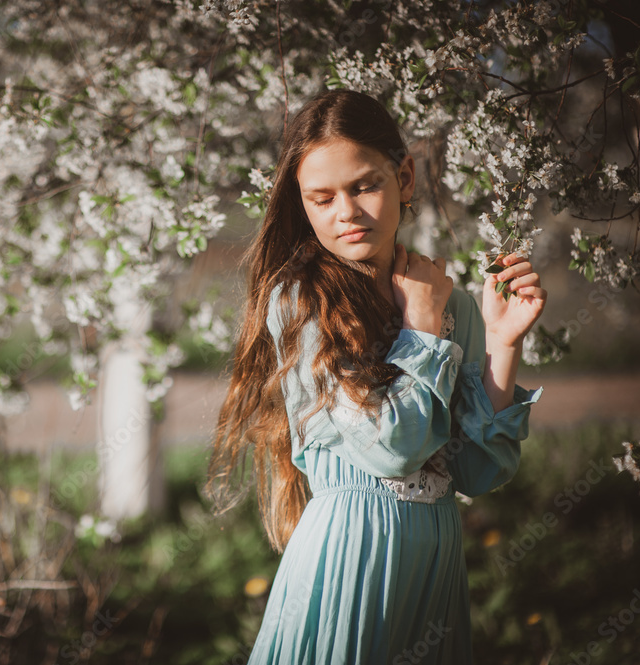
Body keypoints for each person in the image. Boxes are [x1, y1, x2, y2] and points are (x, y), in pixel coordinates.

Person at [205, 88, 546, 664]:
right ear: (302, 204)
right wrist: (419, 325)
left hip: (434, 565)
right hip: (350, 555)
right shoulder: (303, 303)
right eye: (322, 198)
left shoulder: (449, 304)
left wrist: (503, 344)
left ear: (405, 178)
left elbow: (477, 469)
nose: (346, 212)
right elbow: (393, 449)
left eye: (365, 185)